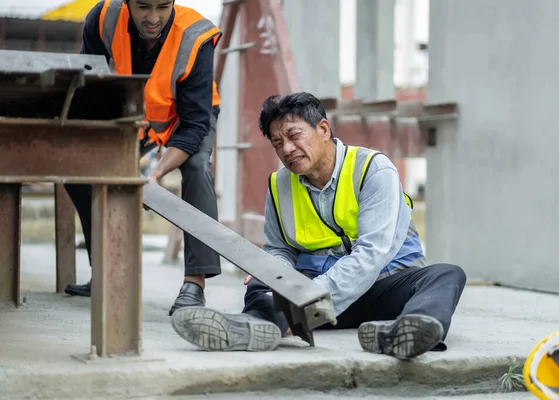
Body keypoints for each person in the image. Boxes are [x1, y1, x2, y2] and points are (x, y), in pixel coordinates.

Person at [170, 92, 467, 359]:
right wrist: (273, 269)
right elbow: (280, 248)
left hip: (381, 287)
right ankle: (255, 326)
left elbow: (372, 254)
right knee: (262, 279)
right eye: (277, 142)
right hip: (315, 302)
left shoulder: (373, 169)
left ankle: (405, 332)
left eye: (294, 135)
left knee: (445, 276)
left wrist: (310, 296)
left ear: (323, 129)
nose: (287, 148)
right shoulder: (279, 185)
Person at [64, 0, 223, 316]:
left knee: (196, 166)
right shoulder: (102, 19)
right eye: (143, 7)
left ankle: (195, 283)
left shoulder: (196, 35)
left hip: (189, 116)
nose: (153, 18)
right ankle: (105, 272)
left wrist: (156, 172)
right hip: (135, 112)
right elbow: (87, 86)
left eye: (163, 7)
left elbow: (194, 125)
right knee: (78, 173)